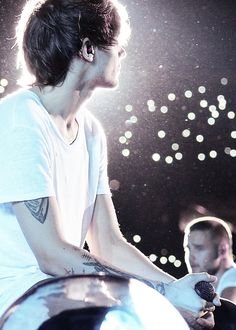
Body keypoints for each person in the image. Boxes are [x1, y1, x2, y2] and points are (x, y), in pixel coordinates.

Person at [0, 0, 220, 328]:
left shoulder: (91, 131)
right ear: (88, 48)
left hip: (66, 299)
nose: (123, 54)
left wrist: (175, 290)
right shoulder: (21, 117)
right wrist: (162, 297)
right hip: (21, 304)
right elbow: (53, 255)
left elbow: (109, 243)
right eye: (119, 44)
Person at [184, 216, 236, 303]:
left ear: (222, 250)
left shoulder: (232, 284)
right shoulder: (206, 285)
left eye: (199, 248)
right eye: (188, 249)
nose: (191, 256)